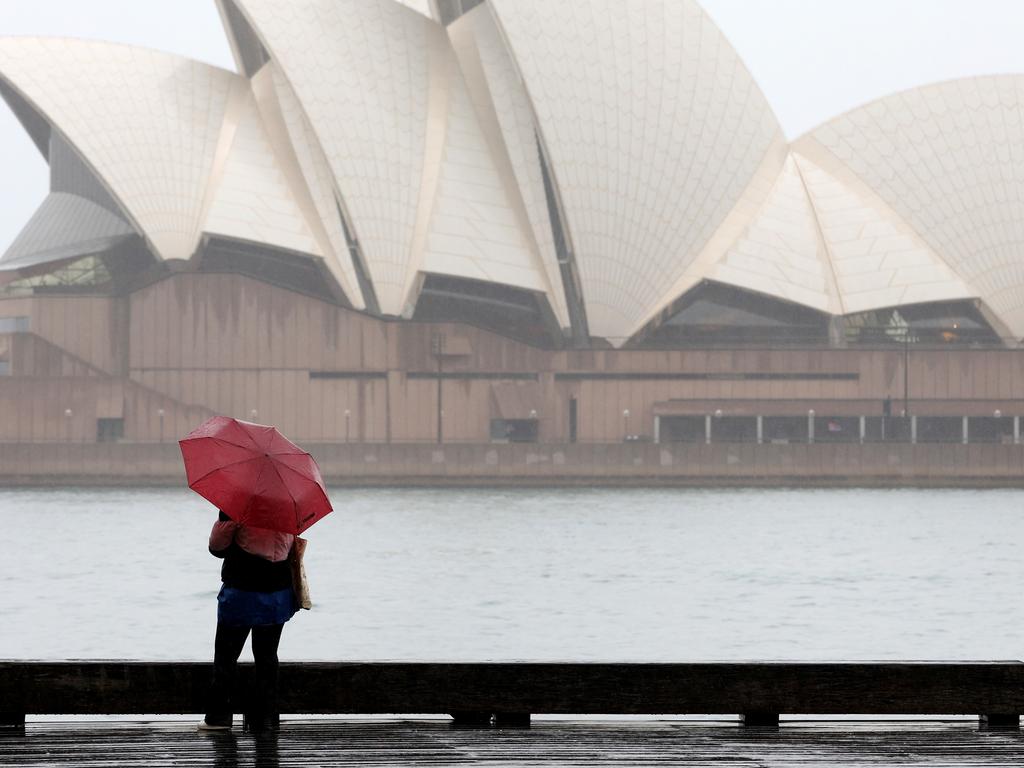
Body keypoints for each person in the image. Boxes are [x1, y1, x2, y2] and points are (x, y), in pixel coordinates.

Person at [199, 511, 297, 733]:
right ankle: (266, 719)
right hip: (277, 596)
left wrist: (226, 520)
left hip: (242, 594)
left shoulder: (238, 504)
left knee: (226, 656)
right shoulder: (289, 507)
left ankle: (219, 717)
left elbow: (217, 548)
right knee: (267, 656)